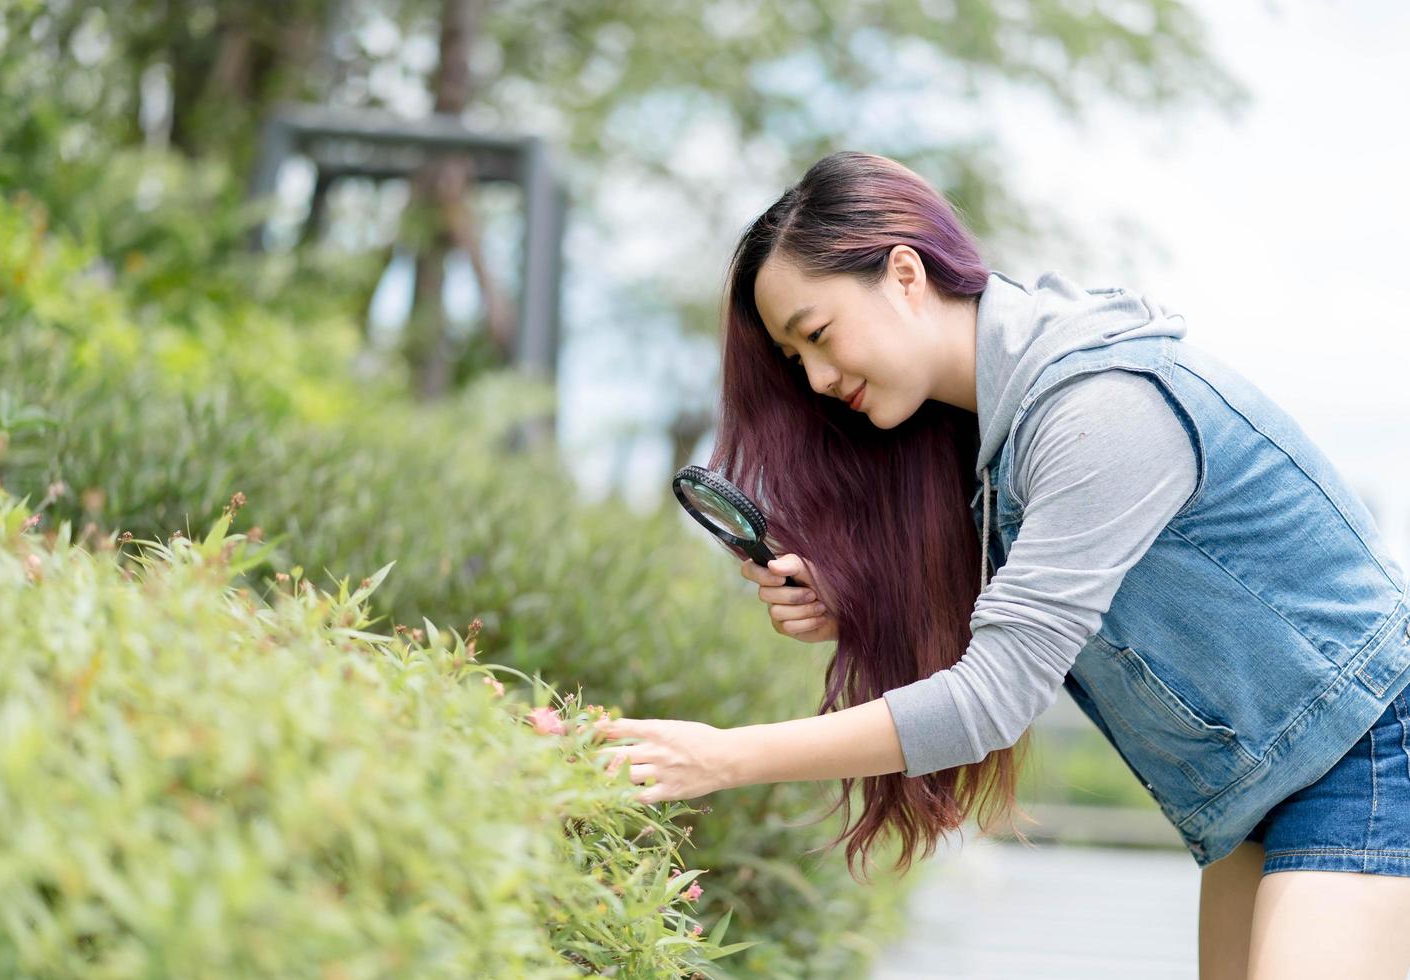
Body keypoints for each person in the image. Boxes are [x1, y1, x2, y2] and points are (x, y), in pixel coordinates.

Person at [592, 150, 1410, 978]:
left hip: (1373, 744)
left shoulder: (1100, 408)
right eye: (794, 360)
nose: (816, 376)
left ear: (905, 273)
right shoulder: (993, 435)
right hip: (1268, 783)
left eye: (817, 334)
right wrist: (855, 605)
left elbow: (992, 697)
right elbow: (1027, 616)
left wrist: (723, 758)